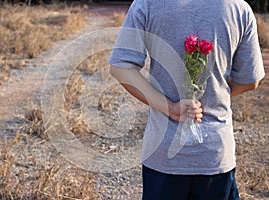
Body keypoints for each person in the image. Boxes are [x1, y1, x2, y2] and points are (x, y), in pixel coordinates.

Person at [109, 0, 265, 199]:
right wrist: (213, 94)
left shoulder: (148, 4)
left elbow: (120, 67)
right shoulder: (238, 7)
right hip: (215, 155)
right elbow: (250, 81)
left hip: (163, 154)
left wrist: (170, 107)